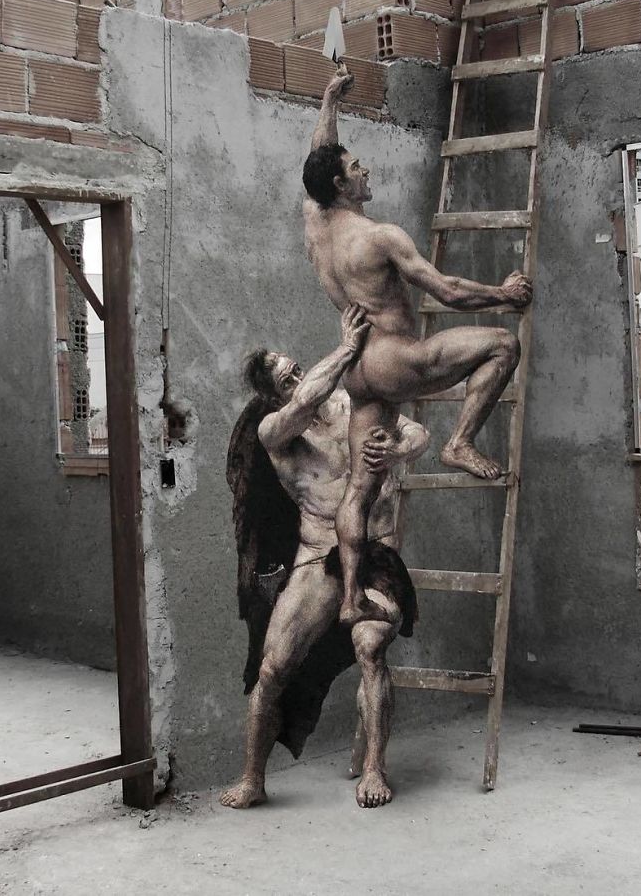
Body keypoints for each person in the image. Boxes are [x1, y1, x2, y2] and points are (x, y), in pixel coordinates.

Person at [302, 65, 533, 628]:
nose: (365, 170)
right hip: (395, 355)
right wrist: (504, 294)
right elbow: (447, 291)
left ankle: (351, 597)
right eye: (356, 167)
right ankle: (460, 441)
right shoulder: (378, 236)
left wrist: (330, 98)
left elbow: (317, 158)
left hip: (356, 367)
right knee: (502, 346)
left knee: (359, 489)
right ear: (342, 186)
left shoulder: (316, 221)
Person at [222, 305, 429, 810]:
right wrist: (347, 349)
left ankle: (375, 768)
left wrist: (396, 452)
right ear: (273, 397)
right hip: (319, 556)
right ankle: (253, 779)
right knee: (273, 668)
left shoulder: (348, 402)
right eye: (286, 379)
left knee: (370, 646)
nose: (298, 378)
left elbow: (417, 433)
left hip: (376, 552)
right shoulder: (275, 431)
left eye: (296, 368)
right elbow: (307, 398)